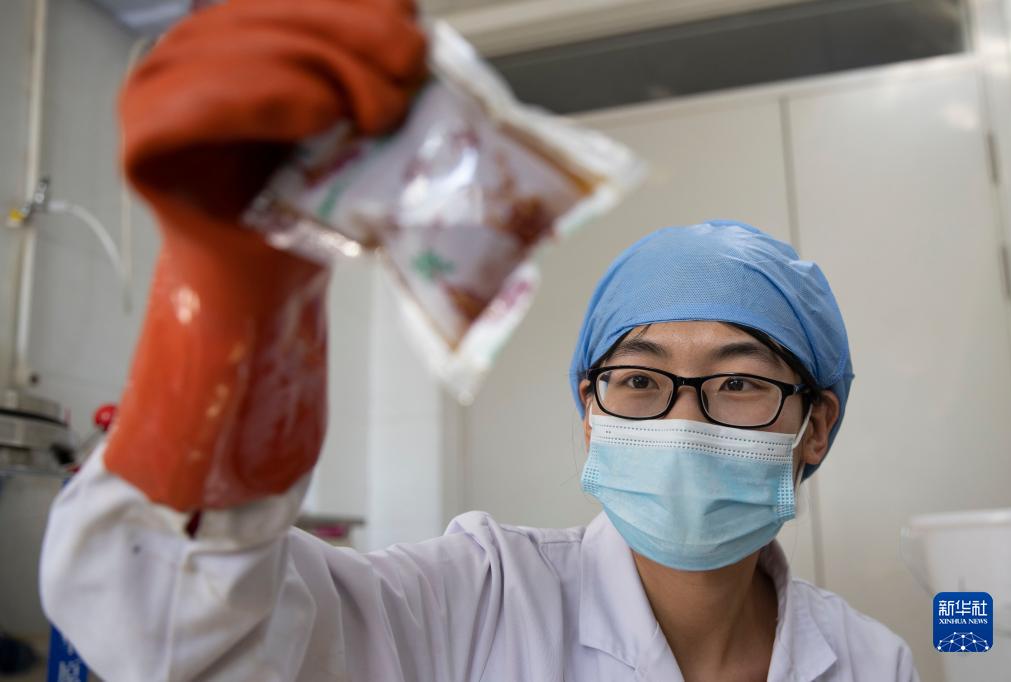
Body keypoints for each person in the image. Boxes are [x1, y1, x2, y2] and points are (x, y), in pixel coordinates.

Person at [40, 1, 919, 680]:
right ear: (590, 413)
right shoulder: (472, 597)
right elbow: (166, 628)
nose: (680, 423)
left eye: (737, 383)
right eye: (639, 381)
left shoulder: (870, 662)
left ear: (814, 425)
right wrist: (233, 305)